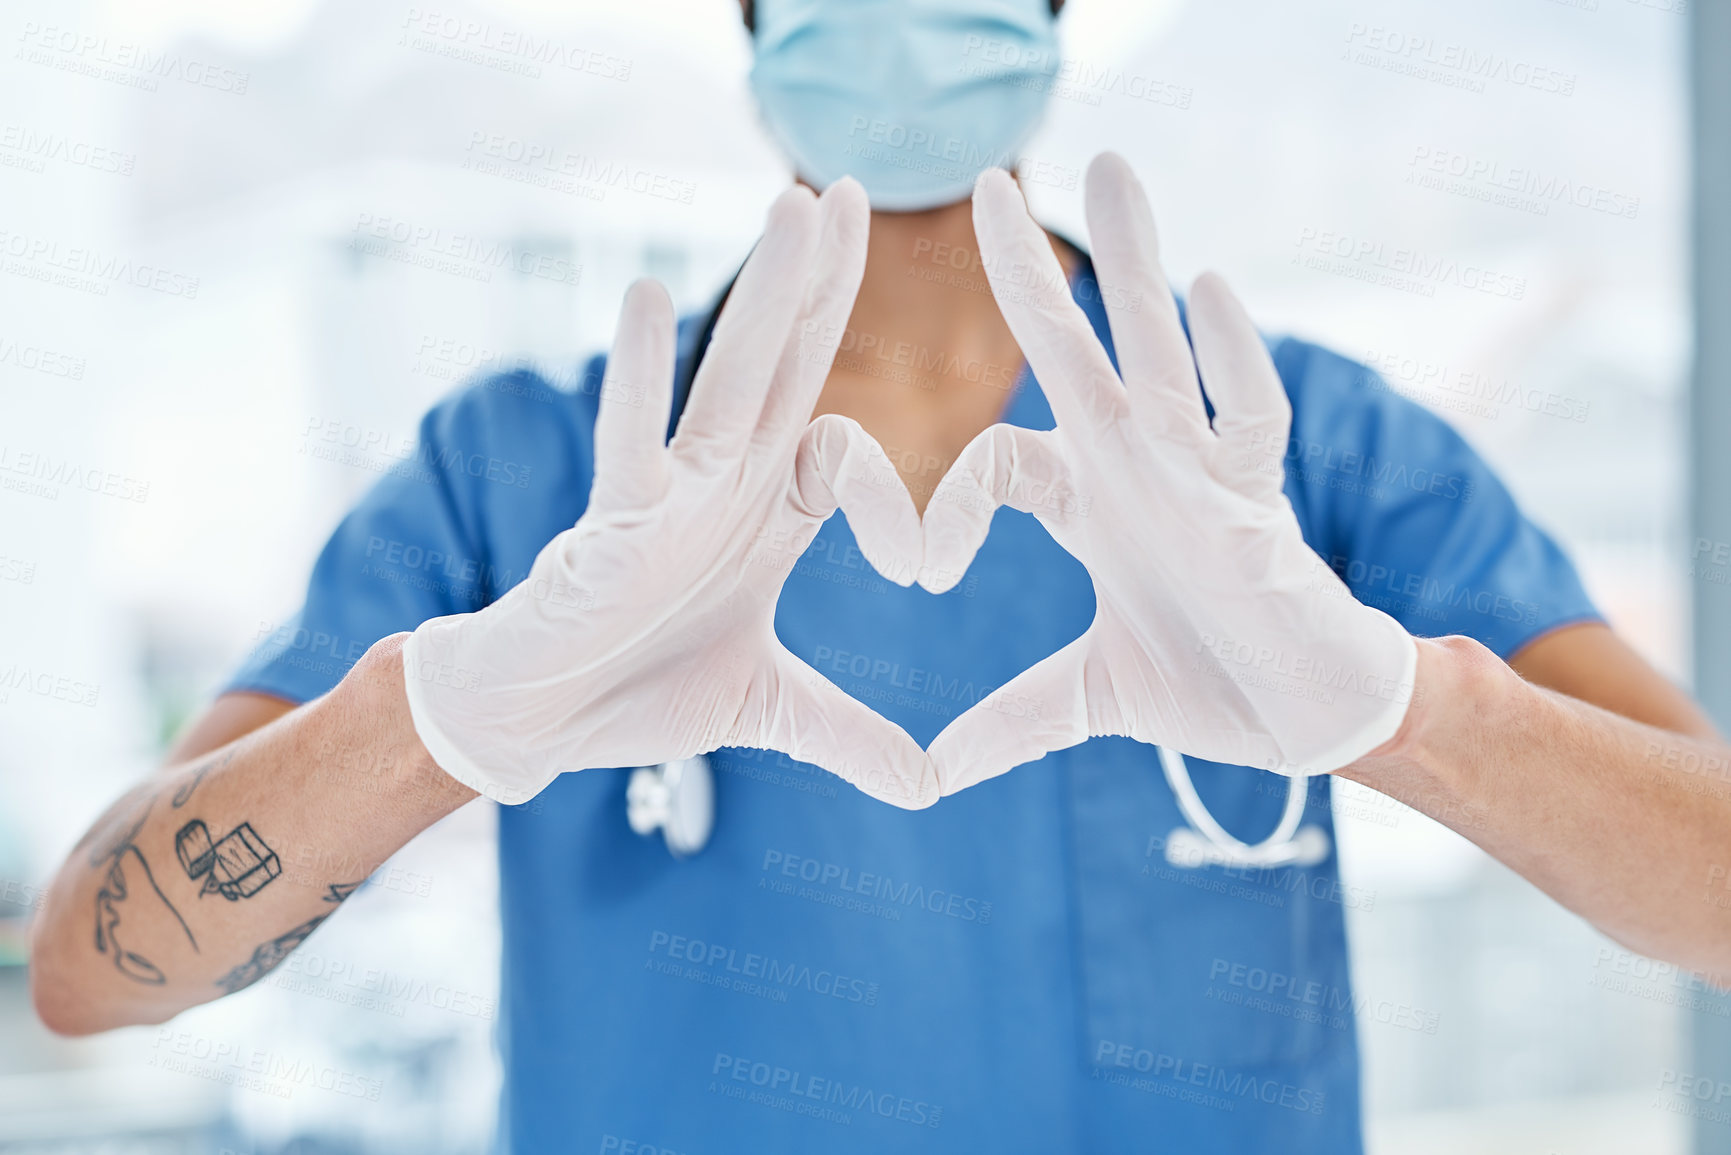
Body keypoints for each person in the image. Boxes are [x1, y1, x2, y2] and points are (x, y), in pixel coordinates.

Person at [26, 1, 1731, 1152]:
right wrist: (442, 721)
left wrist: (1412, 717)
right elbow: (97, 974)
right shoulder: (536, 480)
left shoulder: (1295, 458)